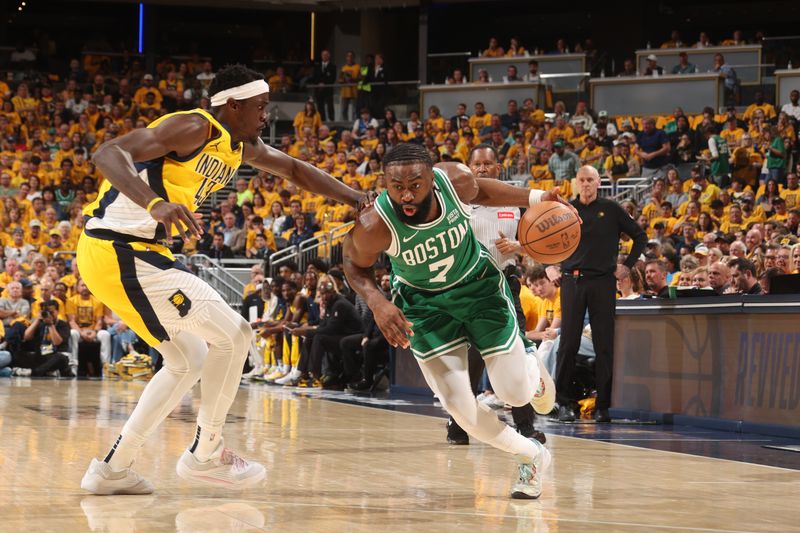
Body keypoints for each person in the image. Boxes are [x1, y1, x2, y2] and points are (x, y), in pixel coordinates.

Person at [78, 64, 370, 495]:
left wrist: (357, 197)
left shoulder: (239, 147)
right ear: (232, 106)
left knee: (187, 359)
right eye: (259, 106)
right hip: (120, 249)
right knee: (235, 333)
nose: (266, 115)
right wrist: (154, 203)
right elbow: (106, 152)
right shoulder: (195, 126)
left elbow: (295, 170)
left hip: (128, 255)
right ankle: (206, 453)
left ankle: (112, 468)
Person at [342, 143, 572, 500]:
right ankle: (531, 456)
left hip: (479, 289)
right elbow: (354, 265)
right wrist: (376, 301)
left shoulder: (456, 181)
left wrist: (539, 195)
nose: (406, 194)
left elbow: (486, 190)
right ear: (384, 182)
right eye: (396, 186)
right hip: (424, 307)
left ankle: (532, 376)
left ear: (432, 178)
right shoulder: (374, 223)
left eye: (415, 185)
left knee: (513, 393)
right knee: (462, 412)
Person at [444, 144, 541, 447]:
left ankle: (525, 426)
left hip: (506, 284)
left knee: (517, 354)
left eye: (488, 164)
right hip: (469, 288)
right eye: (477, 164)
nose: (483, 169)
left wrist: (518, 247)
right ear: (469, 169)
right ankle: (458, 424)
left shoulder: (514, 203)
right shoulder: (456, 204)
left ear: (498, 168)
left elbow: (537, 244)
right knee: (470, 359)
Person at [555, 166, 647, 423]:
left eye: (590, 180)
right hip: (572, 281)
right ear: (576, 183)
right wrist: (549, 266)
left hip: (604, 282)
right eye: (582, 180)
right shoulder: (566, 209)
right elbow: (547, 241)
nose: (585, 184)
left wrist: (626, 265)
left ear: (598, 182)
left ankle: (603, 407)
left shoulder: (612, 209)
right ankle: (564, 403)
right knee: (568, 344)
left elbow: (640, 236)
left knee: (604, 345)